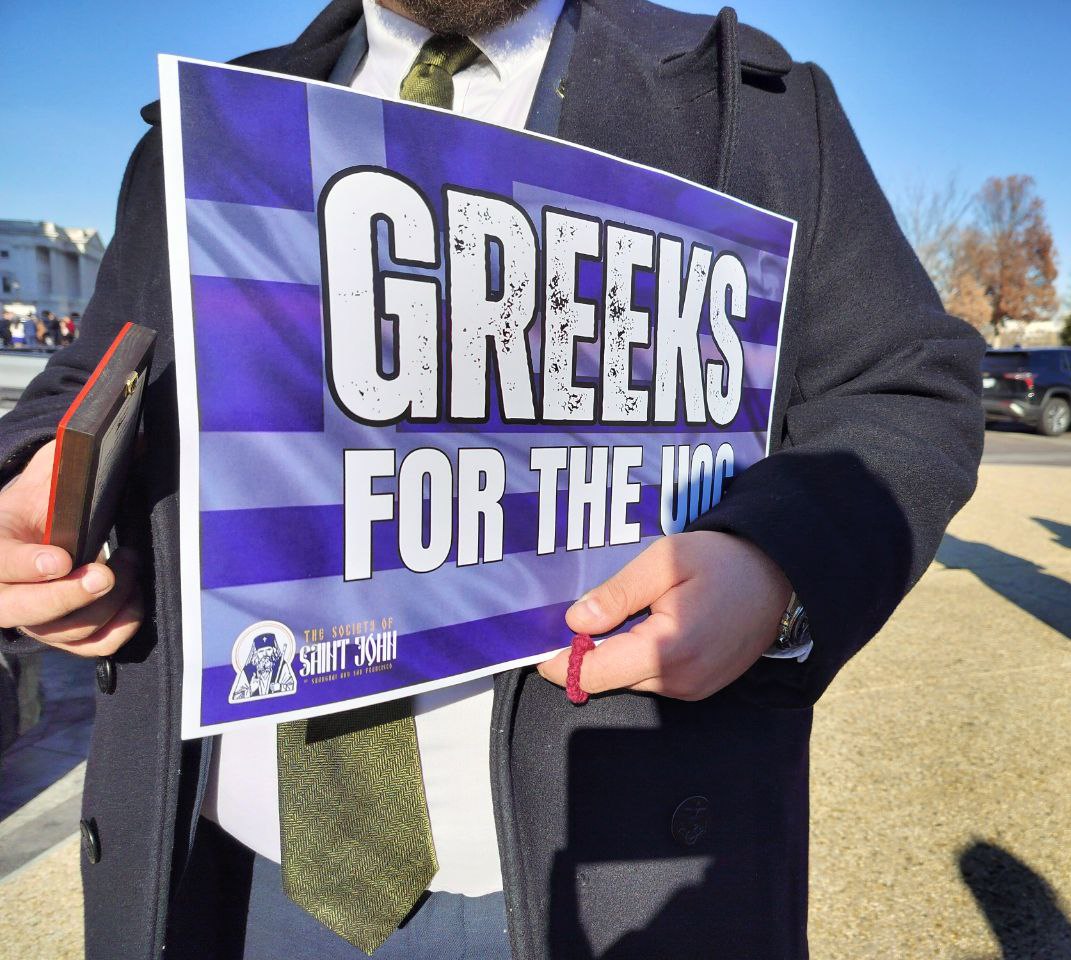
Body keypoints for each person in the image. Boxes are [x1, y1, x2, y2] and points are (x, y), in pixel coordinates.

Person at [0, 1, 983, 958]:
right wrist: (36, 509)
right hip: (223, 864)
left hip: (584, 882)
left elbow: (903, 385)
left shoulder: (756, 105)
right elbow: (94, 373)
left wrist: (773, 567)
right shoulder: (210, 117)